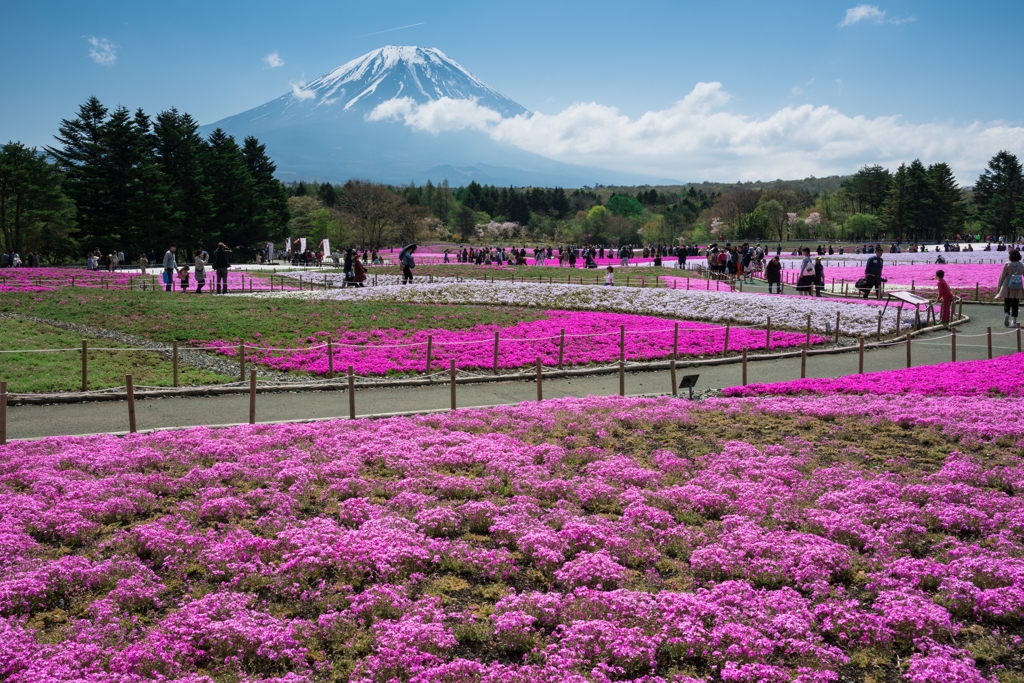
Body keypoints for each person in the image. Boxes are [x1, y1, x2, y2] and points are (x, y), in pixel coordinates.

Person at [997, 249, 1024, 327]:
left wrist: (999, 286)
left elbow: (1002, 276)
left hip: (1008, 285)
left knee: (1007, 302)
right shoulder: (1022, 265)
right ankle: (1014, 322)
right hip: (1018, 286)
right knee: (1015, 304)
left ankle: (1006, 314)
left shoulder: (1007, 264)